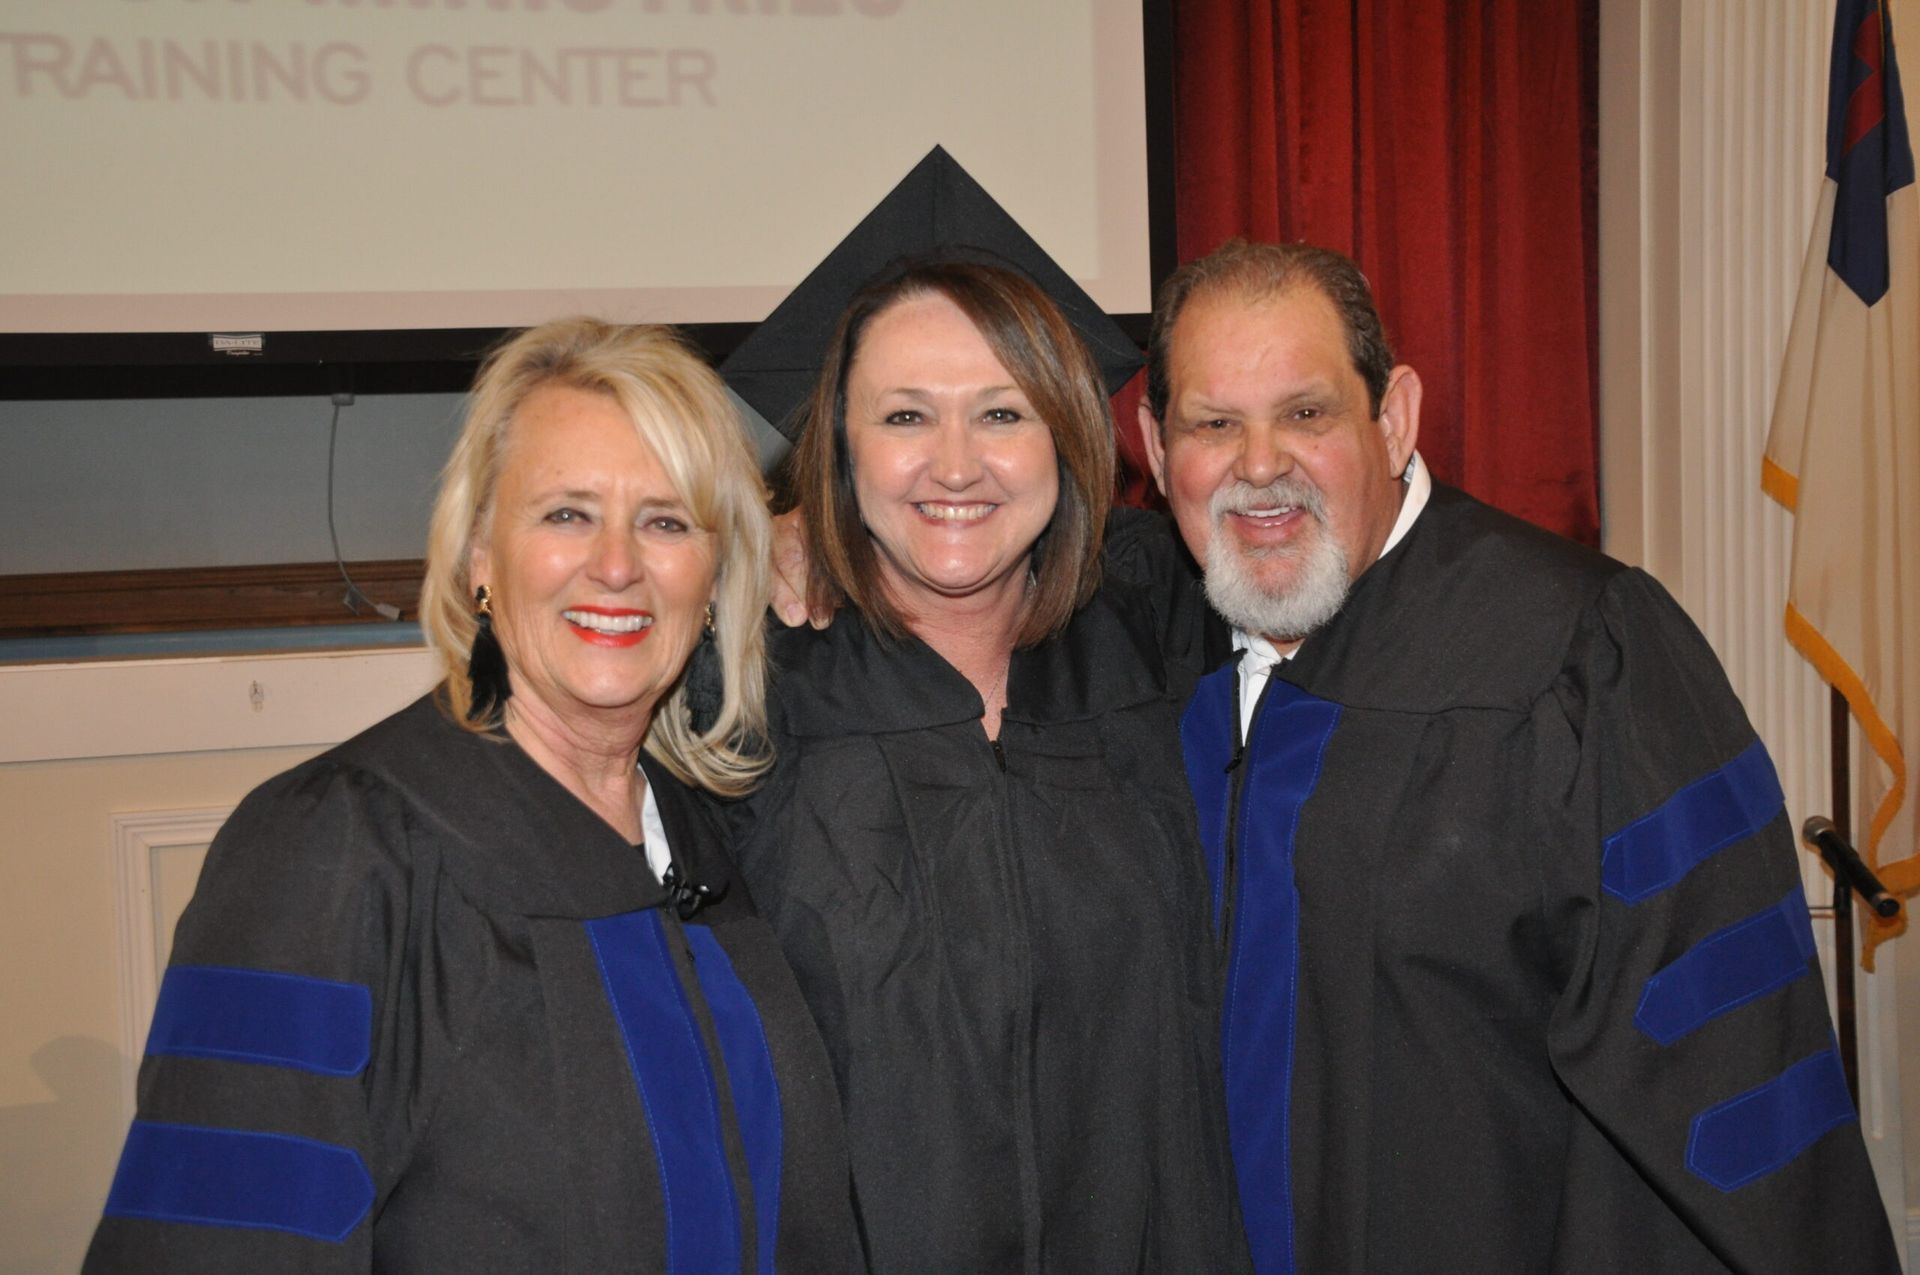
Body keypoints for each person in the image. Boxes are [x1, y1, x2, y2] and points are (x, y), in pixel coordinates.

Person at [1128, 238, 1901, 1271]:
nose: (1258, 465)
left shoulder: (1580, 654)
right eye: (1212, 425)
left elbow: (1730, 1074)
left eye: (1306, 413)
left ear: (1393, 417)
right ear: (1153, 444)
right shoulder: (1144, 650)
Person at [84, 319, 856, 1272]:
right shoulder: (335, 851)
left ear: (714, 574)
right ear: (481, 554)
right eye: (566, 512)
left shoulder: (707, 843)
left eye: (666, 520)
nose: (616, 564)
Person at [724, 257, 1247, 1272]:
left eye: (1003, 414)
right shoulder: (742, 692)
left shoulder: (1171, 628)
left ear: (1068, 437)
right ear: (839, 447)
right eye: (905, 418)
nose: (954, 466)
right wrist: (746, 541)